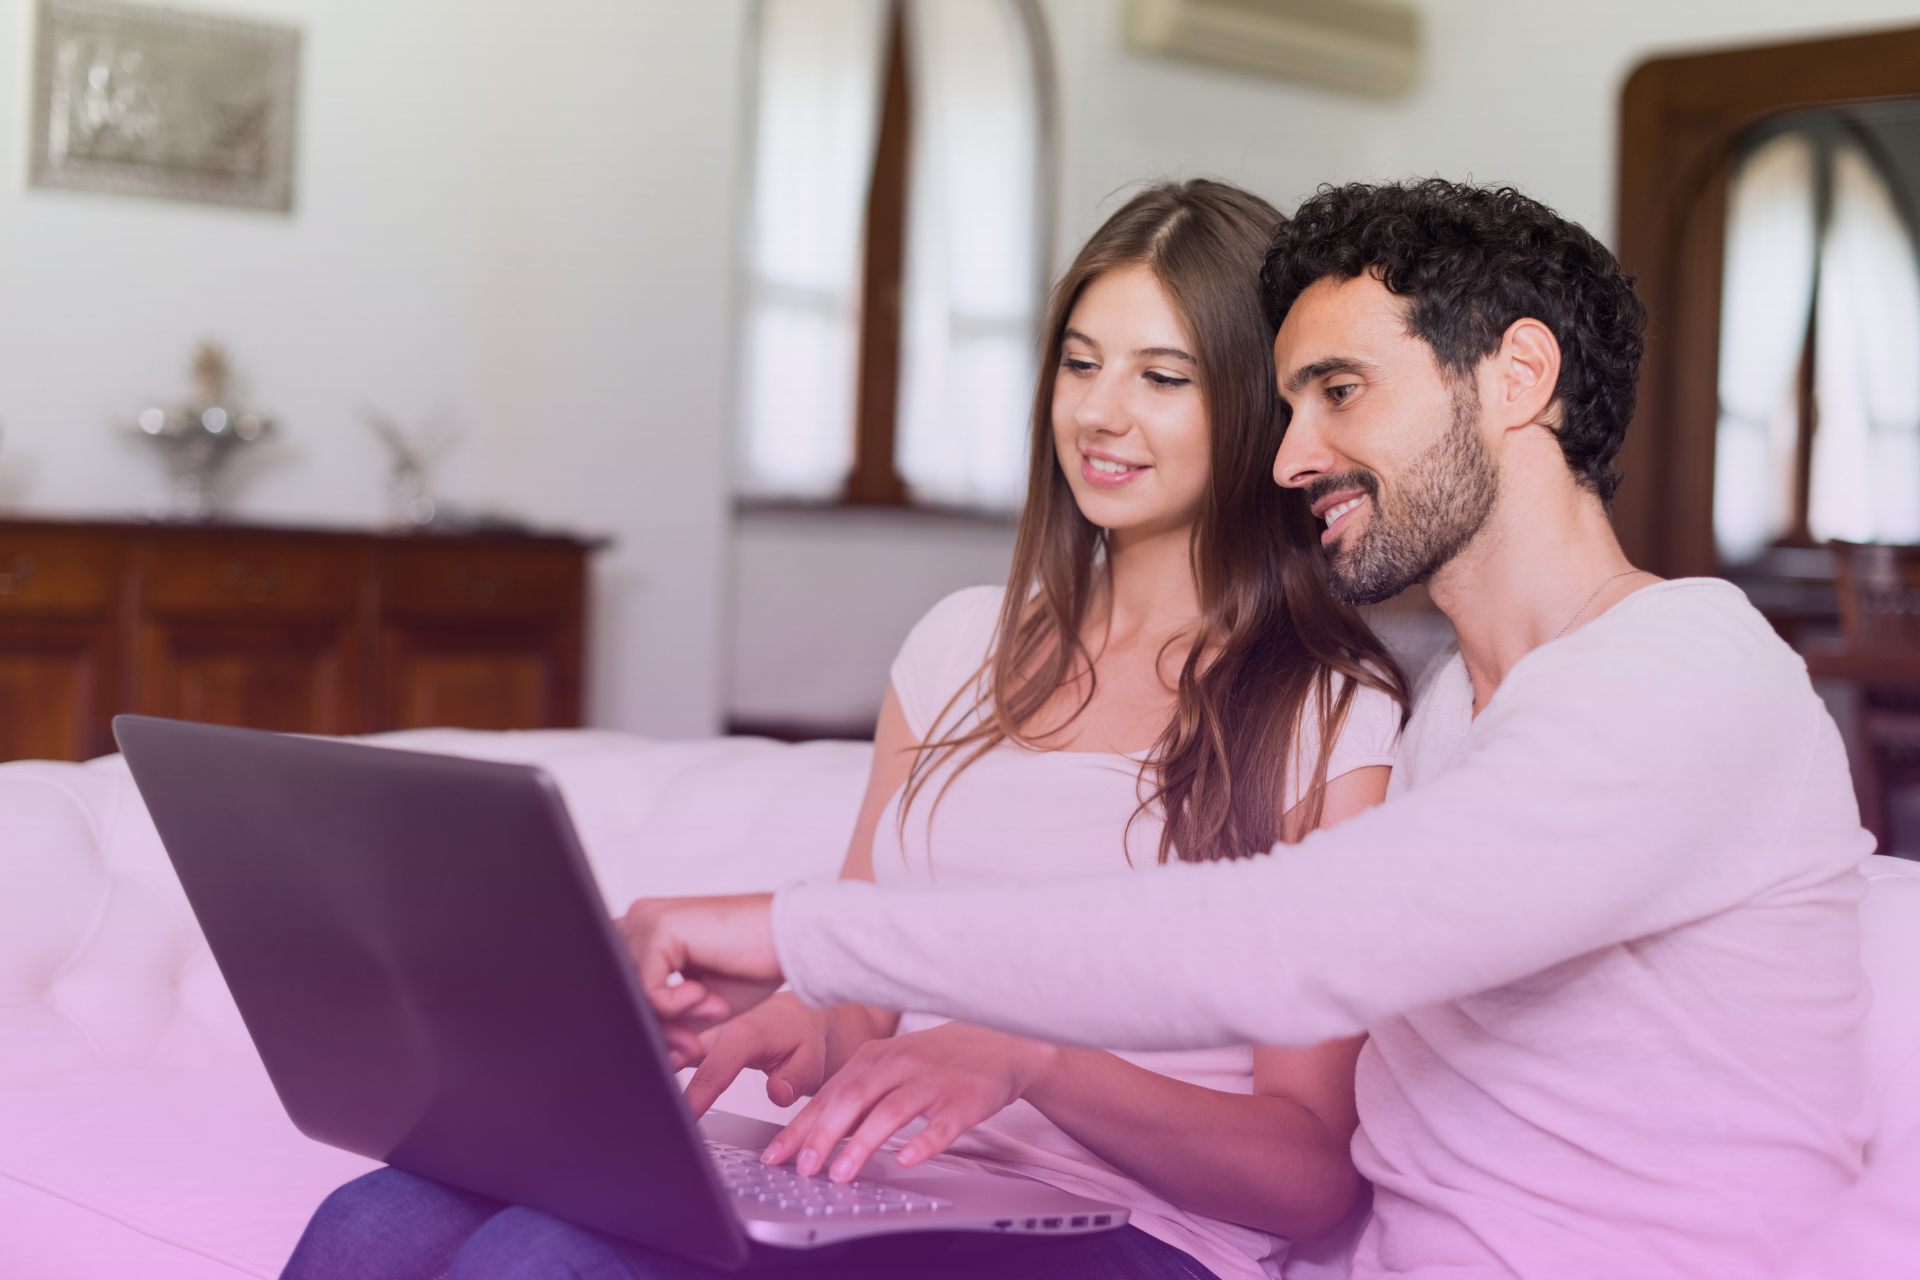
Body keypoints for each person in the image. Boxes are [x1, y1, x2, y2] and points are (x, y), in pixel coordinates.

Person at [626, 179, 1877, 1280]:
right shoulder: (1458, 708)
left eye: (1339, 393)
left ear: (1519, 378)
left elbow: (1299, 935)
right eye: (1284, 407)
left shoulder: (1687, 675)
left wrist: (807, 932)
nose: (1287, 460)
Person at [280, 179, 1409, 1280]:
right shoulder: (958, 646)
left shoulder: (1327, 713)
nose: (1099, 411)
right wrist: (780, 1030)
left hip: (1136, 1231)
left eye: (1162, 376)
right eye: (1078, 362)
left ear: (1262, 405)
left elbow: (1309, 1168)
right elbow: (867, 994)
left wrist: (1035, 1058)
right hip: (900, 1168)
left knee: (546, 1258)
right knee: (376, 1221)